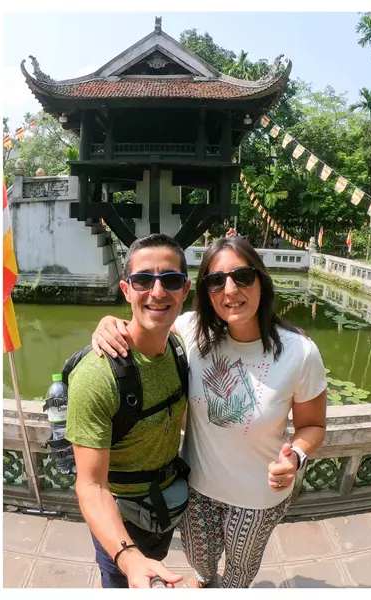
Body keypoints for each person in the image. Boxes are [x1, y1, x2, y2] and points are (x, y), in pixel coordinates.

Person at [90, 236, 328, 588]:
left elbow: (313, 426)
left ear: (261, 279)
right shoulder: (190, 330)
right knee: (200, 567)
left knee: (238, 576)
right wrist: (108, 323)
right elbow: (144, 325)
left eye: (242, 276)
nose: (230, 289)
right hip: (197, 490)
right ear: (205, 291)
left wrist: (295, 455)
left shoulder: (299, 353)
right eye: (216, 281)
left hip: (257, 497)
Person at [66, 233, 191, 589]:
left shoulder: (180, 345)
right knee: (120, 581)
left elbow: (237, 311)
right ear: (126, 289)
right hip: (118, 518)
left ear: (185, 290)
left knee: (158, 564)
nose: (157, 292)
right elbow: (90, 485)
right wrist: (128, 555)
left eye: (170, 280)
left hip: (166, 503)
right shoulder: (97, 376)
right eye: (142, 280)